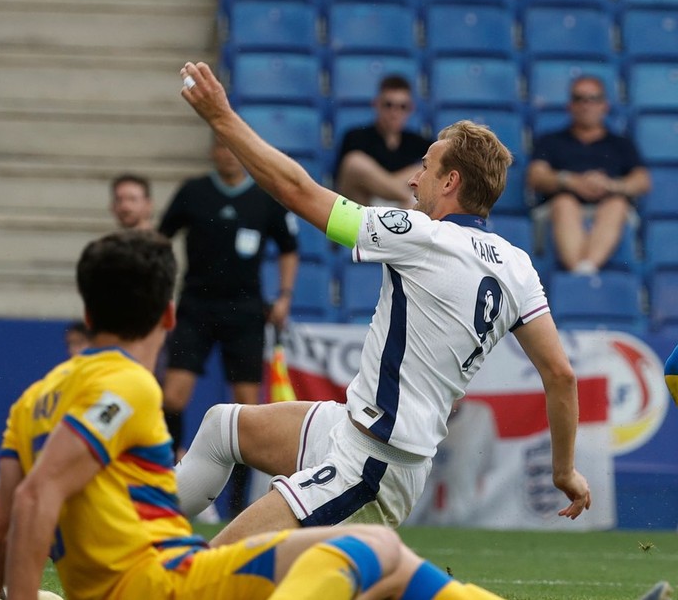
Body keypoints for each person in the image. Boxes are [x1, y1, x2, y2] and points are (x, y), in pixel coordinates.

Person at [0, 230, 633, 600]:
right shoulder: (132, 385)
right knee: (371, 552)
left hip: (152, 572)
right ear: (170, 316)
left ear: (85, 315)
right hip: (163, 585)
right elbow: (40, 494)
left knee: (381, 561)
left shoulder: (33, 400)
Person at [173, 62, 591, 546]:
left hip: (371, 465)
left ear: (451, 181)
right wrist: (565, 469)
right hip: (353, 434)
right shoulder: (516, 266)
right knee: (223, 426)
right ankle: (134, 540)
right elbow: (560, 375)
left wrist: (222, 118)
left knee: (213, 568)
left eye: (426, 167)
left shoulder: (422, 236)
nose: (414, 182)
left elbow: (296, 191)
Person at [158, 138, 298, 445]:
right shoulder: (193, 192)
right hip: (196, 305)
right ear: (212, 152)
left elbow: (289, 248)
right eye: (222, 147)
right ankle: (168, 473)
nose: (228, 155)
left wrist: (285, 295)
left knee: (246, 408)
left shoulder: (263, 197)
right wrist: (162, 287)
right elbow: (161, 238)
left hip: (245, 309)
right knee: (172, 397)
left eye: (234, 148)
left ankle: (237, 494)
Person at [526, 75, 650, 274]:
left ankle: (582, 272)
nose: (586, 105)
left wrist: (610, 185)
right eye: (579, 99)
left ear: (605, 105)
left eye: (593, 99)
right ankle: (584, 273)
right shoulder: (550, 140)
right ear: (570, 105)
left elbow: (642, 180)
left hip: (608, 207)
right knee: (564, 202)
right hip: (558, 209)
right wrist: (570, 181)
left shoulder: (620, 144)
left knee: (617, 204)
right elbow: (536, 176)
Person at [334, 75, 432, 208]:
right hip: (363, 208)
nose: (395, 112)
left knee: (428, 167)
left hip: (401, 211)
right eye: (388, 105)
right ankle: (407, 197)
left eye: (402, 106)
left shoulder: (418, 142)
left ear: (410, 109)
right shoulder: (355, 137)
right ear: (376, 104)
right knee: (354, 162)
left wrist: (380, 182)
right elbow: (343, 181)